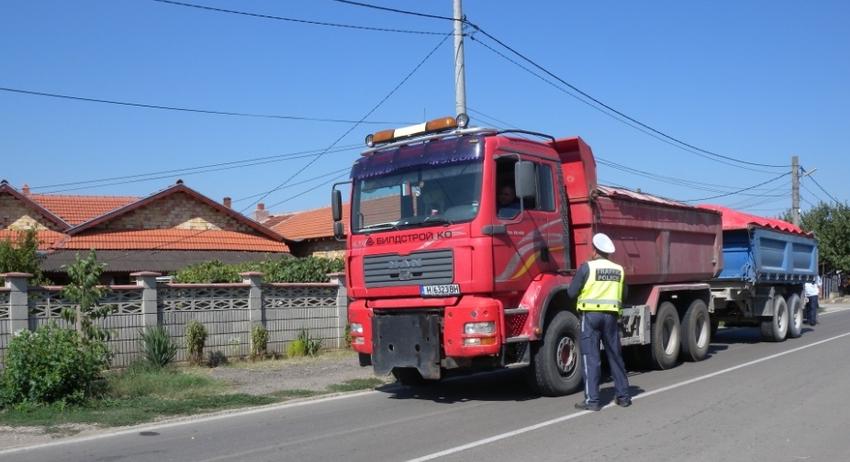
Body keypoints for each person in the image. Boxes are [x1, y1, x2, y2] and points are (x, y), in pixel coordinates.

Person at [568, 232, 631, 411]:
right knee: (615, 356)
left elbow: (571, 293)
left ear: (595, 251)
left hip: (590, 317)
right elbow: (625, 295)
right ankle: (624, 397)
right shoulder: (619, 270)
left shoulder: (587, 267)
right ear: (608, 253)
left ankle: (593, 401)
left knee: (591, 358)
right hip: (611, 317)